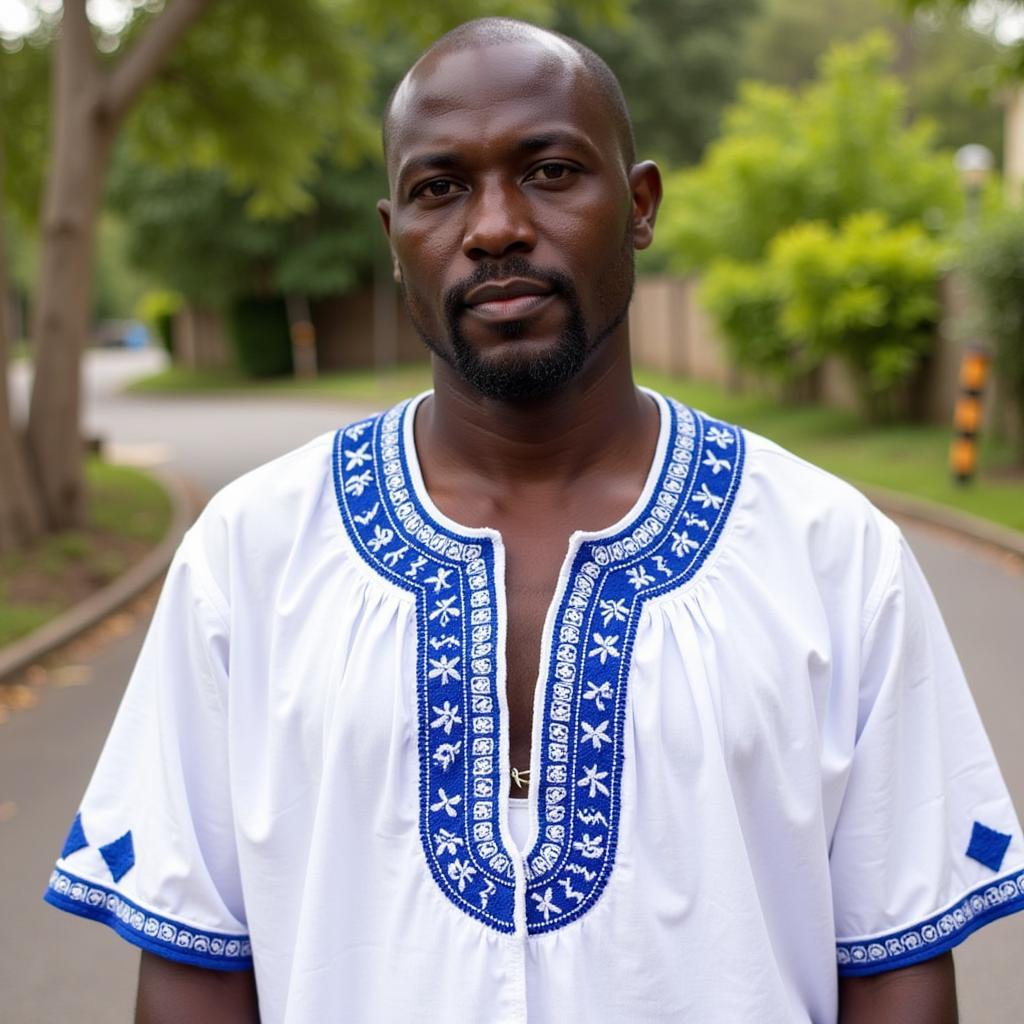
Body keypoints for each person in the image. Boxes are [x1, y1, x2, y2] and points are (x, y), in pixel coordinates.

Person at [45, 18, 1024, 1023]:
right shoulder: (249, 558)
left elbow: (896, 961)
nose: (495, 226)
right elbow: (193, 953)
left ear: (637, 205)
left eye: (550, 171)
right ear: (395, 239)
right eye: (439, 188)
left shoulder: (829, 553)